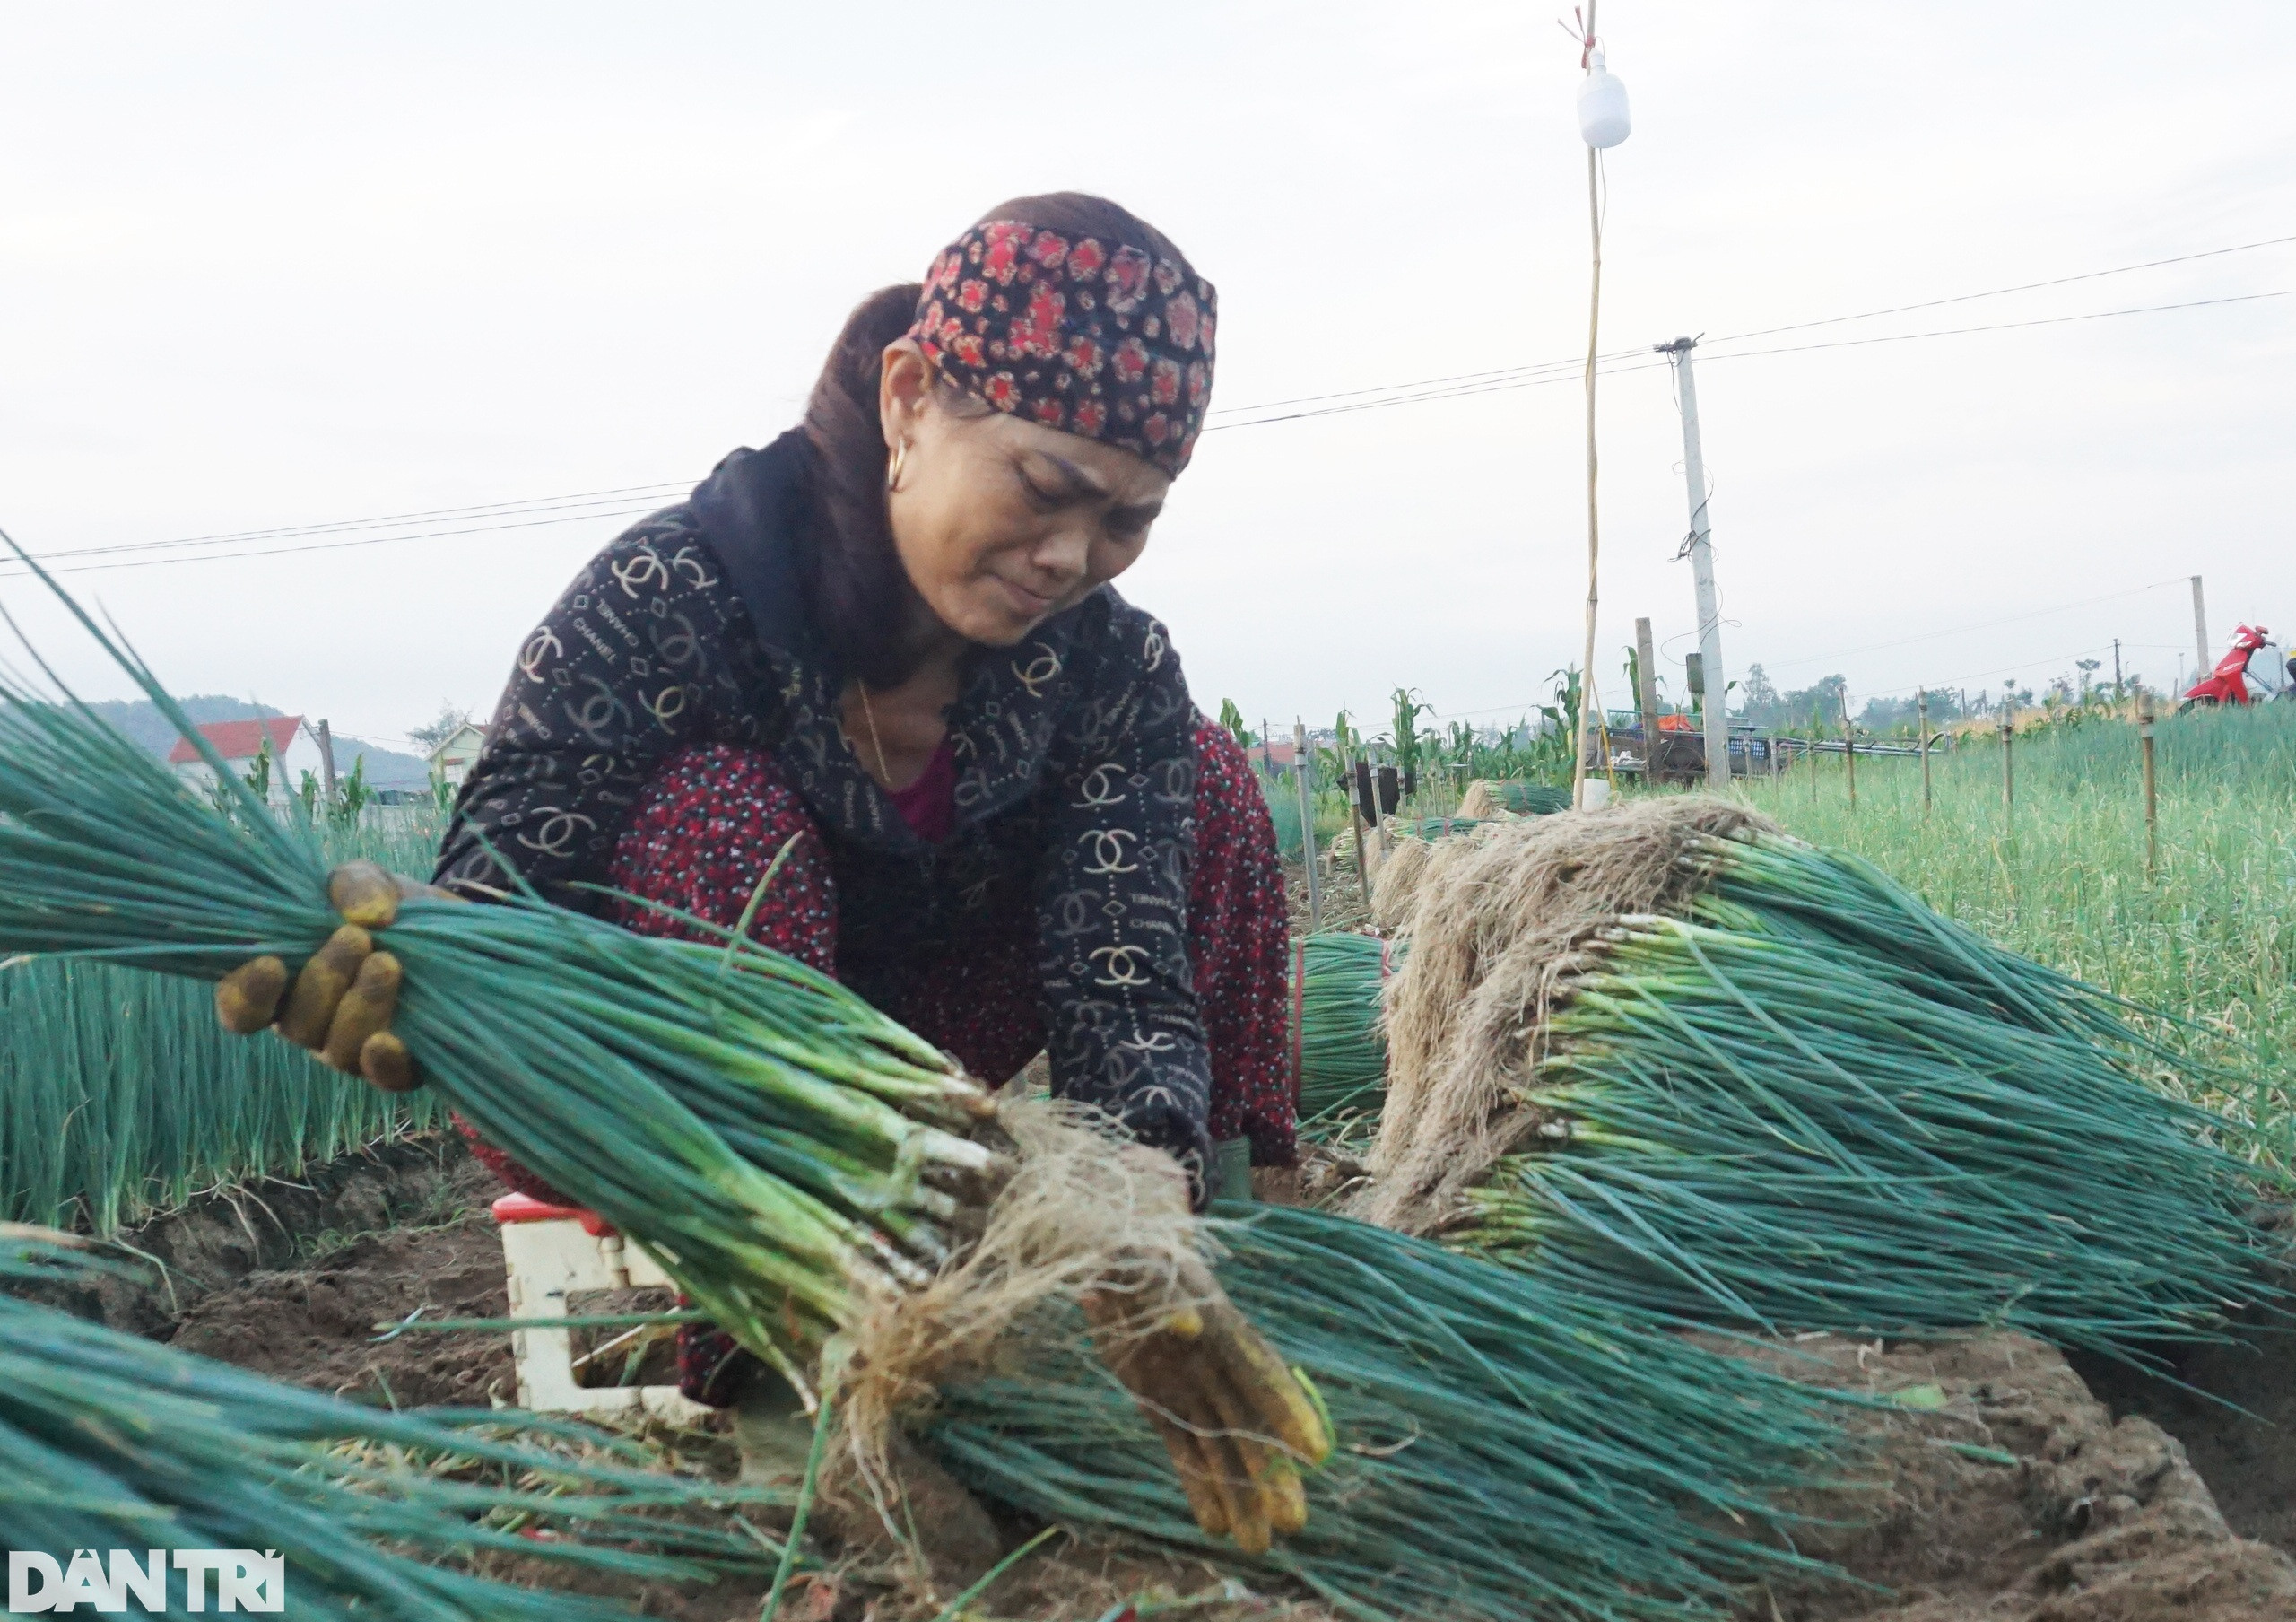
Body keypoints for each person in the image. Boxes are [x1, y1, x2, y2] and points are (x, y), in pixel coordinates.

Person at [215, 193, 1309, 1553]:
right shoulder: (673, 597)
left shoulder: (1107, 665)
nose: (1071, 558)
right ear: (910, 399)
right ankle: (804, 1388)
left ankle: (1237, 1291)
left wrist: (1138, 1228)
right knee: (720, 815)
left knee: (1209, 775)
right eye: (1043, 489)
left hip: (937, 1047)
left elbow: (1121, 977)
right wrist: (422, 973)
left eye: (1127, 521)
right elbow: (505, 906)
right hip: (691, 1078)